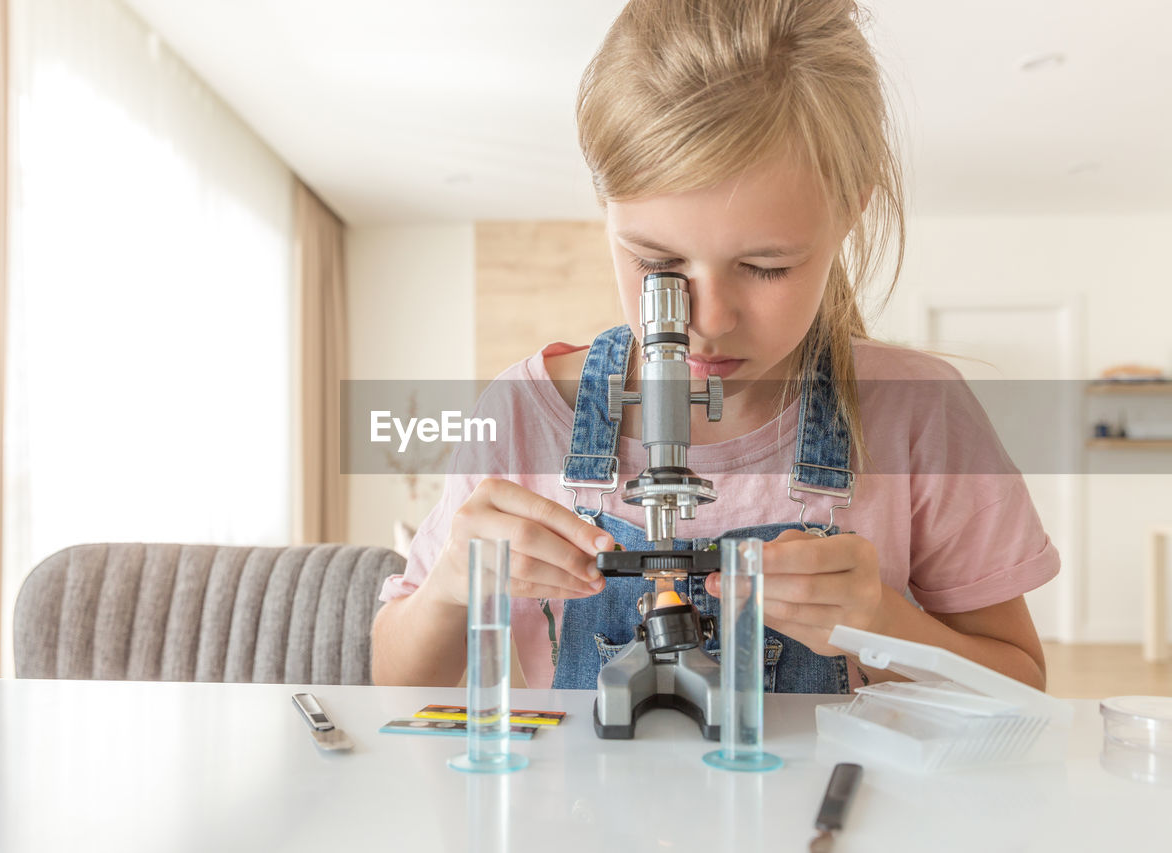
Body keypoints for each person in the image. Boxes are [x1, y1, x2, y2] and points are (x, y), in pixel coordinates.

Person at [371, 0, 1057, 693]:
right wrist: (455, 582)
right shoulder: (524, 416)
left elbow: (1022, 688)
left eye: (766, 266)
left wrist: (885, 626)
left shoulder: (917, 415)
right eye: (657, 261)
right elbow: (394, 679)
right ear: (606, 210)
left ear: (848, 210)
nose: (707, 319)